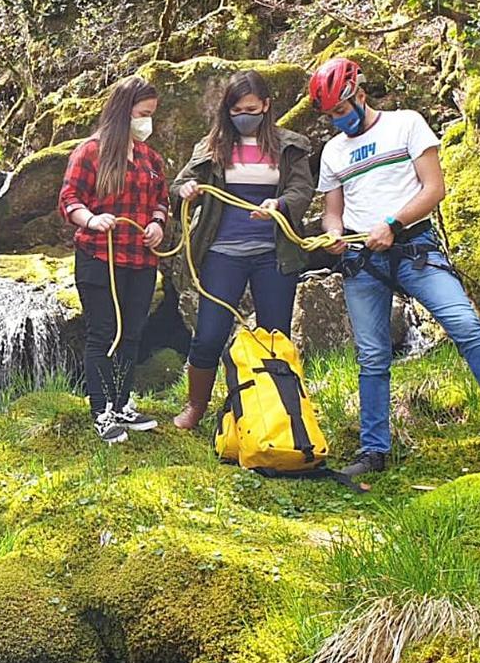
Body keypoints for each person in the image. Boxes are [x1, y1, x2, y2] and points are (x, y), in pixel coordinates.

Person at [310, 57, 480, 477]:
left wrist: (392, 224)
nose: (337, 121)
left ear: (359, 95)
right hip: (360, 258)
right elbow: (333, 211)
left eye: (341, 111)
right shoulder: (333, 152)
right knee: (371, 356)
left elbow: (434, 187)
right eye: (329, 116)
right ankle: (373, 451)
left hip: (413, 246)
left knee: (466, 326)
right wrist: (332, 233)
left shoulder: (406, 124)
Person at [169, 70, 315, 430]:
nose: (244, 116)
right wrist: (186, 190)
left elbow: (301, 190)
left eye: (251, 108)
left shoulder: (290, 145)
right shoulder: (210, 147)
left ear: (266, 106)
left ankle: (275, 412)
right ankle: (195, 406)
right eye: (236, 110)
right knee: (209, 333)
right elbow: (178, 185)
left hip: (274, 254)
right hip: (222, 253)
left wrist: (279, 205)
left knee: (274, 335)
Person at [58, 75, 167, 443]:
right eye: (142, 113)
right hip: (98, 256)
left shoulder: (151, 159)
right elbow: (69, 199)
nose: (147, 122)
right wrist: (91, 219)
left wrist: (157, 224)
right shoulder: (91, 151)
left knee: (132, 333)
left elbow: (162, 202)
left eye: (151, 114)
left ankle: (122, 404)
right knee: (104, 332)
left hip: (140, 259)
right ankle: (101, 411)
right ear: (123, 112)